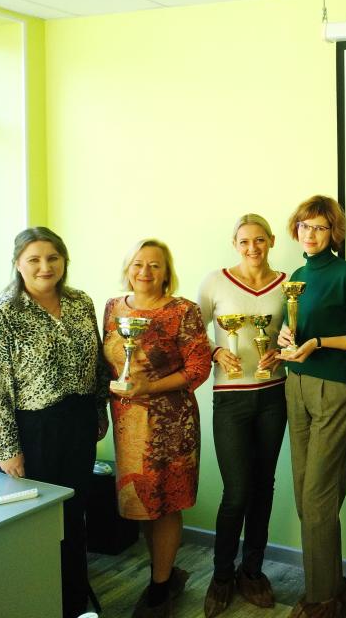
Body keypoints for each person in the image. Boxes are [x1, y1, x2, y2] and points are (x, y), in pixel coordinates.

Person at [0, 226, 109, 618]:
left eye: (52, 257)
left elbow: (97, 363)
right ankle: (40, 603)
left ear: (64, 260)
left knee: (74, 513)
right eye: (33, 259)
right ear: (18, 264)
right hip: (31, 430)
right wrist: (7, 449)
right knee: (37, 522)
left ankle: (73, 601)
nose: (44, 267)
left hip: (78, 422)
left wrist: (99, 409)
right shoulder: (1, 316)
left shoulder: (80, 302)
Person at [278, 195, 346, 618]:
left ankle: (320, 600)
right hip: (296, 385)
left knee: (318, 497)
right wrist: (286, 337)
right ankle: (335, 585)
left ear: (333, 232)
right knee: (305, 496)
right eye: (305, 226)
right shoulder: (298, 276)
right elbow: (297, 326)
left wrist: (318, 343)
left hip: (335, 387)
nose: (311, 234)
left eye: (320, 227)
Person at [103, 238, 211, 618]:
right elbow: (109, 365)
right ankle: (163, 573)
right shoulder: (113, 308)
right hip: (127, 422)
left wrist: (150, 386)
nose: (145, 272)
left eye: (154, 265)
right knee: (142, 504)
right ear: (127, 268)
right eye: (138, 263)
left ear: (167, 272)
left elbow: (198, 368)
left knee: (164, 504)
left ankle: (160, 588)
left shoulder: (183, 310)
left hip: (170, 423)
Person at [197, 214, 288, 617]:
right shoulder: (215, 282)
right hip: (230, 398)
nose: (253, 248)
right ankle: (221, 576)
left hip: (273, 395)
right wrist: (217, 351)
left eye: (260, 240)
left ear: (271, 241)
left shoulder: (287, 284)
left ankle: (252, 571)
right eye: (245, 241)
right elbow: (191, 333)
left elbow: (295, 335)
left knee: (263, 486)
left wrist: (281, 352)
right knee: (236, 492)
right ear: (234, 244)